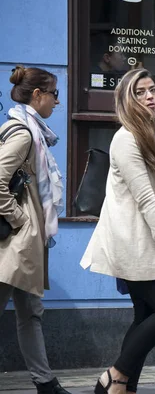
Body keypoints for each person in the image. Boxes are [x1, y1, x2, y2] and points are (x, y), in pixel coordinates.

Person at [80, 68, 155, 394]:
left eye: (153, 89)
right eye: (140, 92)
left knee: (145, 315)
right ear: (127, 100)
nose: (150, 97)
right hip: (137, 242)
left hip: (147, 241)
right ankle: (114, 375)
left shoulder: (151, 135)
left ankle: (124, 386)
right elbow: (144, 196)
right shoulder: (126, 138)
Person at [0, 66, 69, 394]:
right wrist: (21, 221)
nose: (58, 101)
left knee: (31, 312)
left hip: (23, 243)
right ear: (37, 95)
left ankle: (46, 383)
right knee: (29, 313)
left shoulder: (33, 132)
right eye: (54, 94)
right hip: (12, 241)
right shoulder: (24, 133)